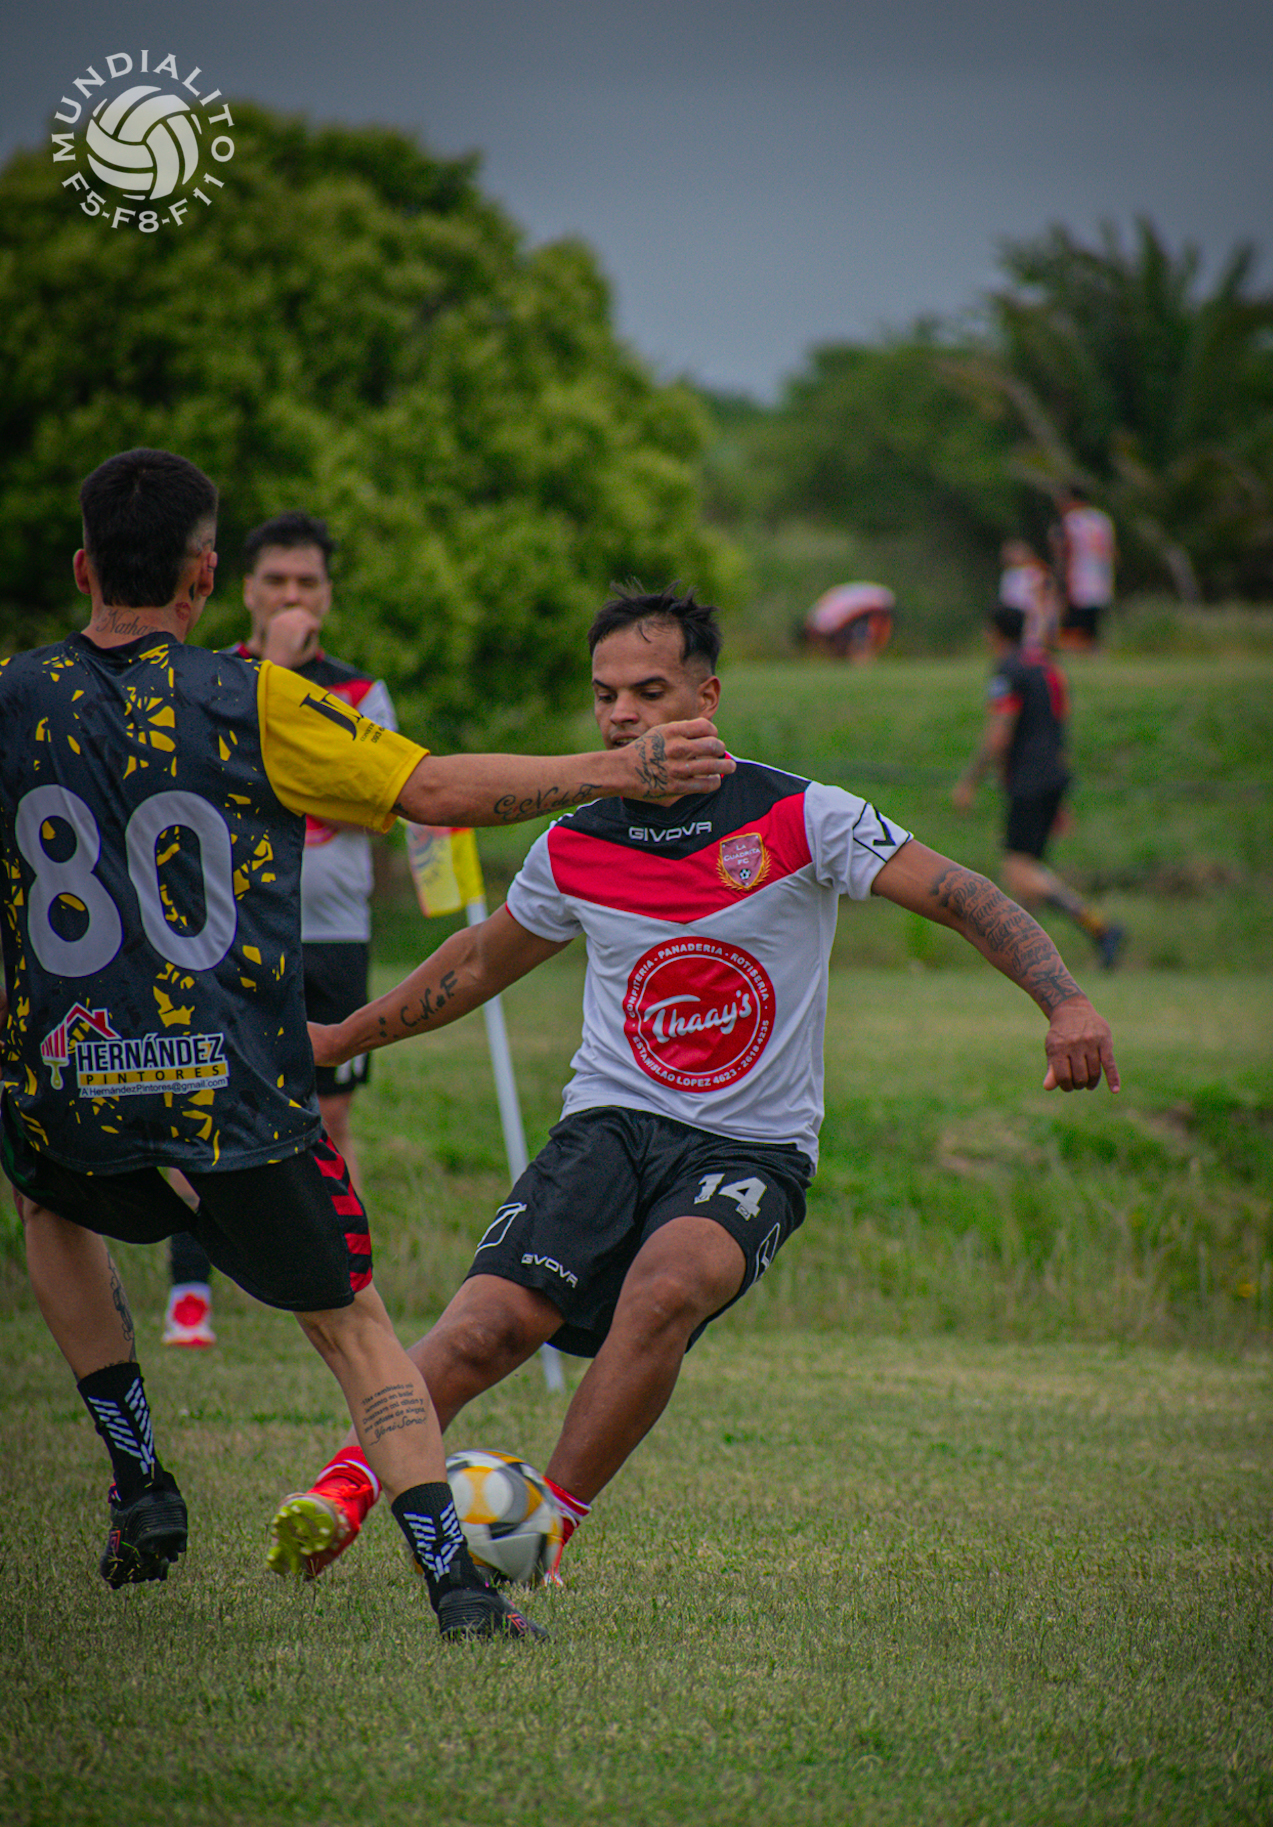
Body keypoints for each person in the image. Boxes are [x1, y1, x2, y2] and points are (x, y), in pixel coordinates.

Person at [0, 453, 730, 1641]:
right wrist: (608, 768)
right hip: (227, 1080)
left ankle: (139, 1478)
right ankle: (455, 1585)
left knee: (46, 1204)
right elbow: (434, 791)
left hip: (68, 1072)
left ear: (83, 567)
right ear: (205, 579)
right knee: (354, 1327)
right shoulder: (254, 698)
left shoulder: (14, 693)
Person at [266, 582, 1121, 1589]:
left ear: (704, 698)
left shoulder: (803, 816)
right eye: (604, 695)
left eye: (648, 691)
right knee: (489, 1326)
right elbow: (478, 961)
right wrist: (338, 1037)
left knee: (666, 1287)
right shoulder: (576, 841)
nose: (621, 714)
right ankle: (341, 1492)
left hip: (750, 1149)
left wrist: (1065, 1001)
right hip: (608, 1128)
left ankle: (541, 1530)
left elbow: (963, 894)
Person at [162, 512, 395, 1348]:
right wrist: (280, 676)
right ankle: (191, 1292)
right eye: (277, 581)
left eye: (308, 581)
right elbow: (203, 791)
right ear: (245, 588)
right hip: (229, 932)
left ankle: (347, 1288)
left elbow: (374, 802)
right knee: (205, 1107)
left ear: (327, 594)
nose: (292, 594)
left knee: (331, 1117)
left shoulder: (362, 694)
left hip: (334, 934)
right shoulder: (206, 679)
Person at [953, 604, 1125, 970]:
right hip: (1053, 775)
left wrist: (970, 781)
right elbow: (1058, 725)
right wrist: (1059, 797)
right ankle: (1027, 959)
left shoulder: (1008, 670)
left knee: (1019, 871)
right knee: (1030, 873)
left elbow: (1000, 732)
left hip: (1029, 779)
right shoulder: (1046, 666)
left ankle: (1101, 928)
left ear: (994, 633)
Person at [1051, 485, 1116, 650]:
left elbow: (1064, 549)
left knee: (1075, 621)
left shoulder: (1071, 520)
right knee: (1093, 619)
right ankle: (1093, 648)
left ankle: (1079, 648)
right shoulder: (1101, 519)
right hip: (1101, 575)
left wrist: (1060, 576)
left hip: (1078, 575)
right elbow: (1112, 551)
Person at [803, 583, 895, 661]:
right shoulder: (819, 616)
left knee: (859, 633)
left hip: (869, 607)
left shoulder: (820, 619)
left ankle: (860, 657)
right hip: (864, 607)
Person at [997, 539, 1058, 651]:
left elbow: (1042, 590)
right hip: (1014, 610)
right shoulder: (1008, 574)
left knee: (1031, 633)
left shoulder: (1033, 571)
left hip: (1030, 608)